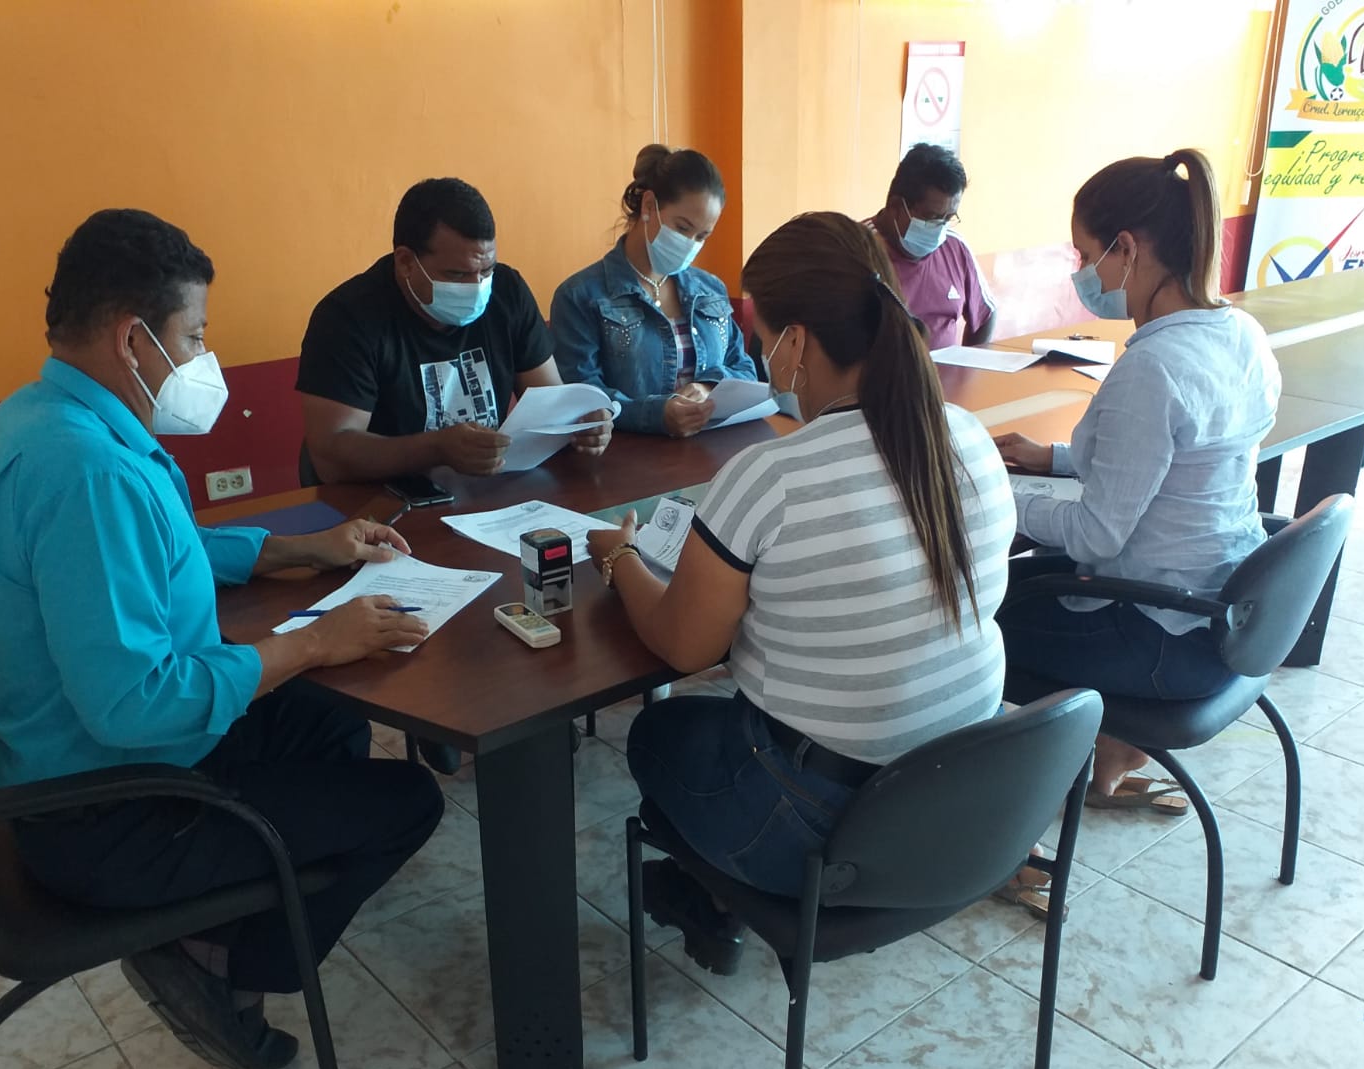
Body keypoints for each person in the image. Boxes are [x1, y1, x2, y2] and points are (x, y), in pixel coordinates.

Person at [0, 209, 446, 1069]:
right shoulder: (88, 472)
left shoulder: (42, 417)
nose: (201, 358)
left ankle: (258, 898)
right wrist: (313, 644)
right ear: (132, 339)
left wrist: (304, 549)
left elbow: (161, 546)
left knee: (327, 720)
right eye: (193, 336)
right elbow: (134, 704)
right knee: (407, 800)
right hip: (108, 809)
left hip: (82, 766)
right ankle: (219, 966)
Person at [586, 212, 1015, 974]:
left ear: (796, 343)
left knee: (657, 736)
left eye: (761, 335)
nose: (758, 353)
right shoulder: (967, 437)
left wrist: (620, 557)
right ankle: (711, 895)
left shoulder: (770, 476)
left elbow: (684, 647)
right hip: (964, 800)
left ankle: (716, 892)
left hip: (830, 828)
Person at [993, 148, 1280, 811]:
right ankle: (1108, 760)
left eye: (1085, 254)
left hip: (1160, 634)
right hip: (1221, 612)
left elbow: (1096, 535)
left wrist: (998, 496)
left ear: (1126, 248)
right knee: (1022, 579)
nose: (1082, 272)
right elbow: (1176, 463)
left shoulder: (1153, 368)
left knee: (969, 620)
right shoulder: (1239, 332)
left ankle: (1001, 812)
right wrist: (1056, 460)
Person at [297, 177, 613, 482]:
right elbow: (332, 456)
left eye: (486, 270)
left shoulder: (507, 291)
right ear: (406, 262)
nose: (477, 287)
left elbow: (551, 405)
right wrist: (436, 449)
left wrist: (582, 425)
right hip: (384, 500)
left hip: (489, 491)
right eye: (457, 275)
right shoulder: (346, 318)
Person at [550, 145, 757, 436]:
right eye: (682, 228)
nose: (690, 244)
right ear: (649, 206)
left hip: (713, 451)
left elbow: (745, 370)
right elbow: (584, 399)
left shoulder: (710, 289)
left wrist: (708, 387)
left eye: (702, 236)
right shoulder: (580, 296)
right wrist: (657, 414)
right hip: (629, 457)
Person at [866, 143, 997, 350]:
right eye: (932, 217)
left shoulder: (955, 247)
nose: (940, 228)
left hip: (944, 372)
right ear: (895, 207)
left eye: (948, 218)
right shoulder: (856, 248)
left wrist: (969, 363)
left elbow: (986, 314)